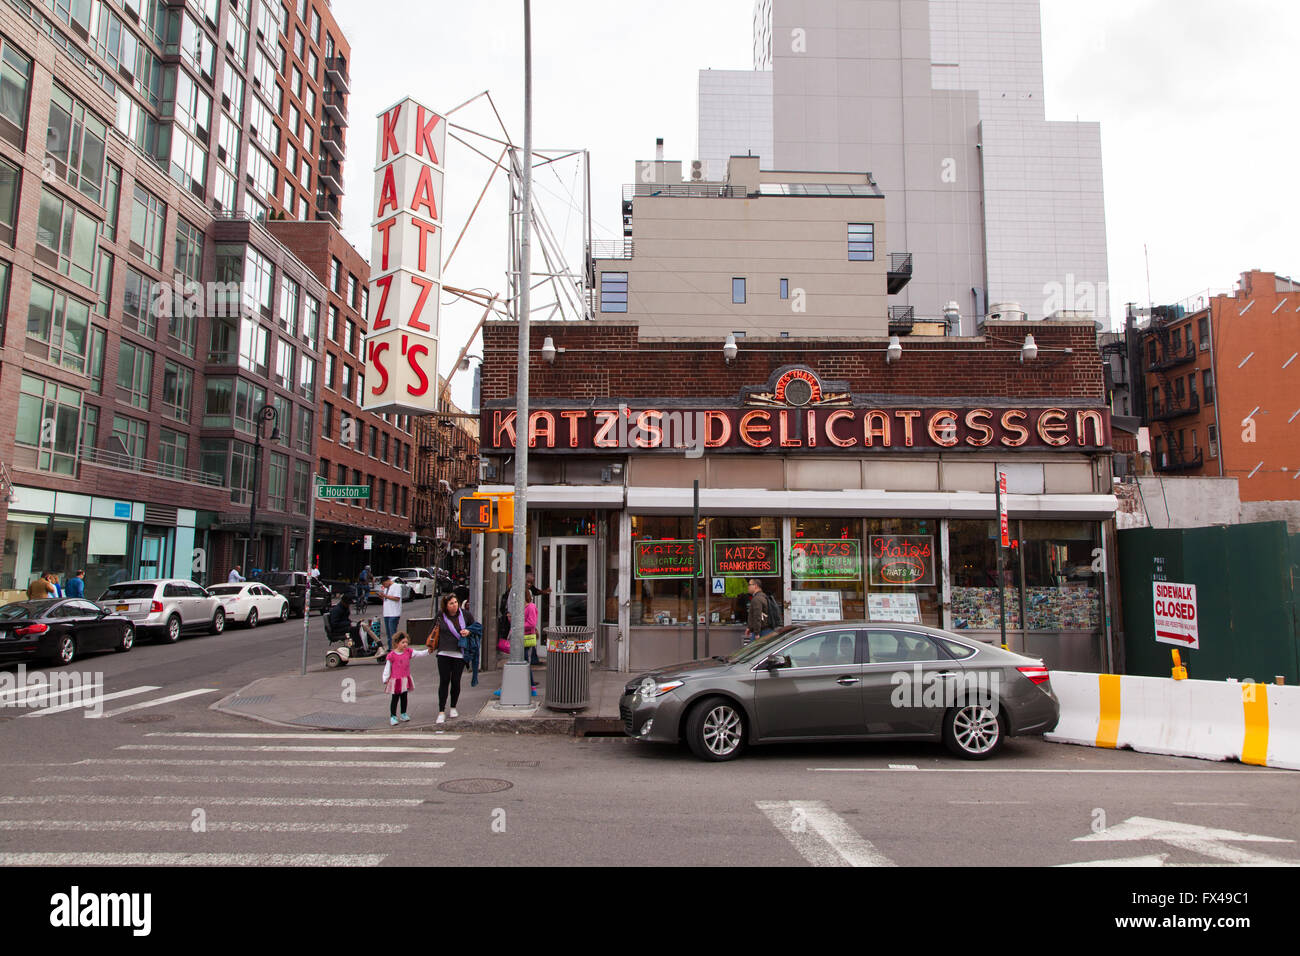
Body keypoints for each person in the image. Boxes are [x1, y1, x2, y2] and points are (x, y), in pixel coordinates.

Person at [429, 592, 475, 723]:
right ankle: (441, 710)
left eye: (455, 602)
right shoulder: (440, 616)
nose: (454, 605)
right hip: (444, 652)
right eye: (451, 603)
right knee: (444, 681)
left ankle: (453, 706)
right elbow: (433, 630)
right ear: (446, 606)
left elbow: (476, 627)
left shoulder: (465, 614)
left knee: (456, 681)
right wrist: (431, 646)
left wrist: (469, 631)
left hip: (459, 653)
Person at [381, 631, 429, 726]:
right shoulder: (392, 655)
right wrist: (385, 679)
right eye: (403, 642)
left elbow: (418, 654)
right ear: (396, 643)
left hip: (405, 679)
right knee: (395, 698)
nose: (405, 644)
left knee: (404, 697)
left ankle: (403, 713)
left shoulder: (408, 652)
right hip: (396, 680)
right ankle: (393, 716)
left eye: (406, 642)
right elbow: (387, 668)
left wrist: (428, 651)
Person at [744, 578, 774, 645]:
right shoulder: (763, 596)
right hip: (765, 630)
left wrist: (757, 633)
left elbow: (757, 616)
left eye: (749, 585)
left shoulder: (757, 599)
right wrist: (749, 627)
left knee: (754, 652)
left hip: (761, 631)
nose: (748, 587)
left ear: (755, 586)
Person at [380, 576, 403, 650]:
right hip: (387, 612)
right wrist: (382, 596)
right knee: (388, 633)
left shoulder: (396, 586)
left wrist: (385, 596)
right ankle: (390, 648)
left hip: (394, 613)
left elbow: (397, 598)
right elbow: (387, 598)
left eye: (384, 584)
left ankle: (395, 648)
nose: (384, 586)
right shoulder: (386, 588)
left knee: (392, 632)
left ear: (388, 581)